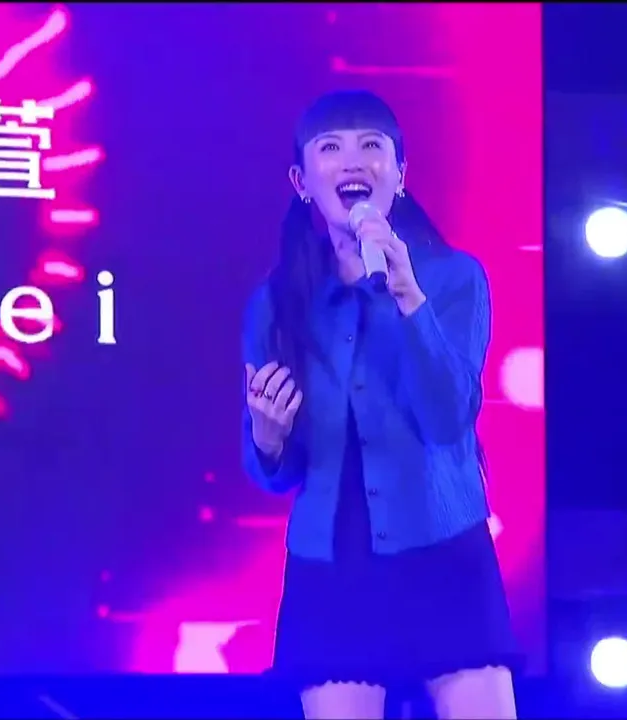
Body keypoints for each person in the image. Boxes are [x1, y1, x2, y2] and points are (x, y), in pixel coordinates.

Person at [240, 89, 520, 720]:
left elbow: (449, 418)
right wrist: (268, 438)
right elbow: (271, 474)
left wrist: (409, 298)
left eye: (372, 146)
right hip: (333, 567)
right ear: (302, 182)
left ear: (400, 174)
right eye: (330, 148)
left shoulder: (454, 278)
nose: (353, 162)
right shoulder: (276, 303)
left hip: (444, 550)